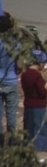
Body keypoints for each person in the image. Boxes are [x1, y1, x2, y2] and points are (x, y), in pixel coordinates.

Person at [22, 49, 47, 152]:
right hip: (38, 106)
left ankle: (26, 150)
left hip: (28, 104)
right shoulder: (36, 75)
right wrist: (46, 86)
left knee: (28, 130)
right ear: (39, 62)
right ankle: (40, 151)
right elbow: (42, 92)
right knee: (40, 130)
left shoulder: (25, 73)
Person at [0, 13, 21, 146]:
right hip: (12, 81)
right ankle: (12, 144)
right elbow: (19, 64)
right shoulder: (16, 44)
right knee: (11, 116)